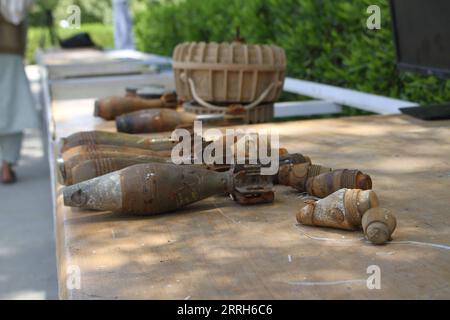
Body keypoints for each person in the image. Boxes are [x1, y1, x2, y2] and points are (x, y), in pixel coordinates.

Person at [0, 0, 39, 184]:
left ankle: (5, 165)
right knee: (12, 107)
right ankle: (6, 165)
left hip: (9, 51)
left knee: (11, 106)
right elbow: (18, 9)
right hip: (9, 49)